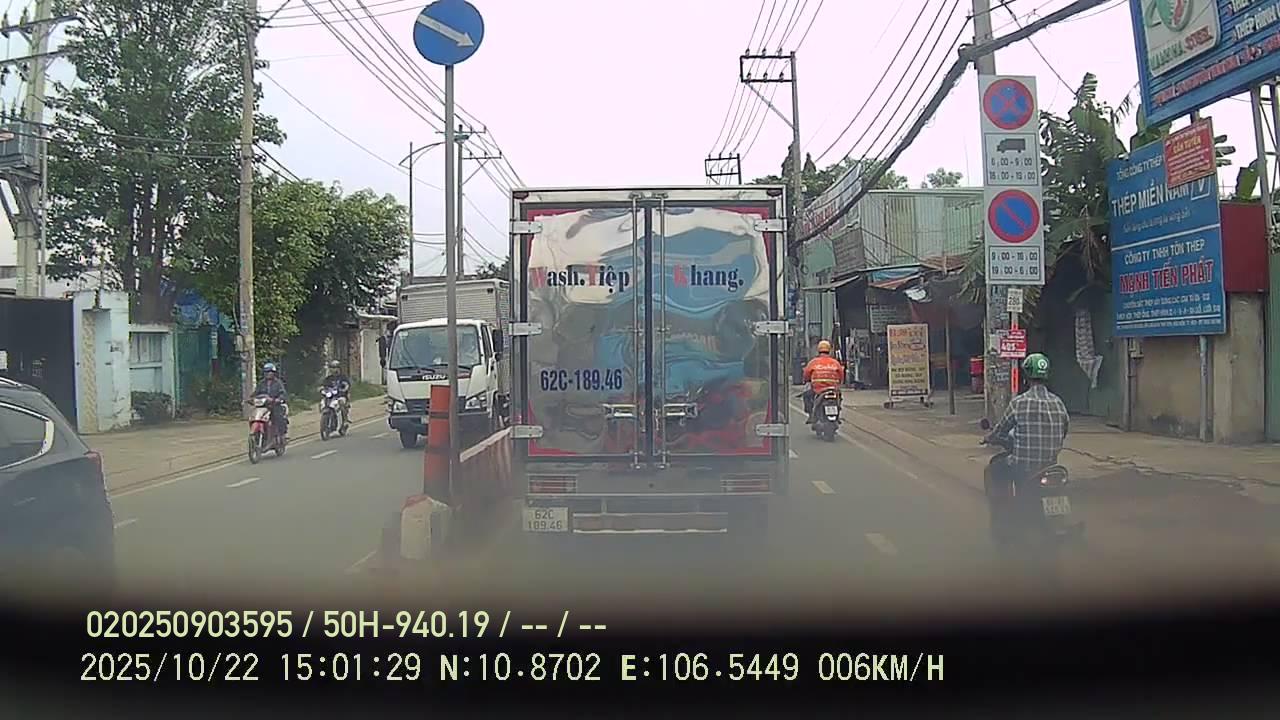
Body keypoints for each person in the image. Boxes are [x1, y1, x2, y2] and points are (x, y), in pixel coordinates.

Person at [983, 353, 1070, 519]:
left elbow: (1001, 430)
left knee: (995, 468)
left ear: (1026, 377)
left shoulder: (1019, 403)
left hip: (1023, 465)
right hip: (1051, 465)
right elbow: (1064, 430)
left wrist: (990, 437)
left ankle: (1002, 515)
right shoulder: (1058, 403)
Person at [801, 339, 844, 423]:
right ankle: (837, 416)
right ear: (829, 350)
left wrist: (807, 380)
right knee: (839, 397)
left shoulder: (813, 362)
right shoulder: (835, 363)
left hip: (818, 390)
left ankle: (811, 415)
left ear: (818, 350)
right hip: (833, 389)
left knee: (806, 395)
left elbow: (806, 376)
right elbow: (841, 377)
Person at [254, 362, 289, 438]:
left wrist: (278, 399)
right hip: (263, 406)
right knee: (255, 416)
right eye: (266, 372)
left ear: (274, 373)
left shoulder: (278, 383)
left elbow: (283, 394)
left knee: (278, 417)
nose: (268, 374)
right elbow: (255, 394)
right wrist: (251, 399)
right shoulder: (261, 383)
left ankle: (282, 434)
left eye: (270, 372)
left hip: (275, 405)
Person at [322, 359, 351, 426]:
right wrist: (321, 389)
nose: (333, 369)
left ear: (339, 368)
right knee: (323, 401)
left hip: (341, 396)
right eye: (332, 368)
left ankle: (345, 420)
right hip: (331, 396)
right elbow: (323, 385)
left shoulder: (343, 377)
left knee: (341, 403)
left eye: (335, 367)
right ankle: (325, 418)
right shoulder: (328, 378)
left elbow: (347, 385)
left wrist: (344, 388)